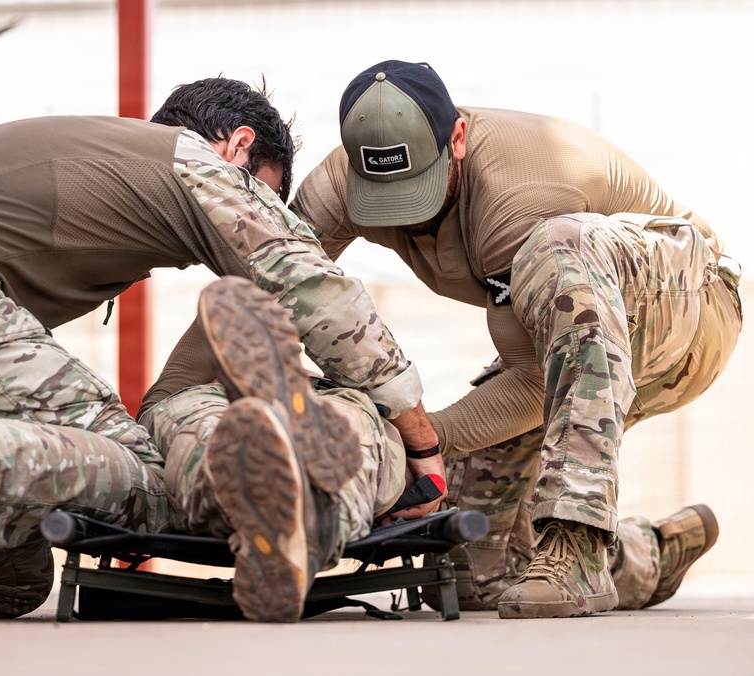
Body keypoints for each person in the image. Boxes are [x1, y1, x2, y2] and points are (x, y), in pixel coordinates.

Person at [0, 77, 442, 623]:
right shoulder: (189, 161)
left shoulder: (103, 167)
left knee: (3, 570)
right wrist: (421, 445)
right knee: (146, 478)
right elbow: (315, 290)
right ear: (236, 147)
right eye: (264, 196)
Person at [289, 60, 742, 619]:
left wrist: (409, 443)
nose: (404, 215)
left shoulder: (517, 191)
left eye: (417, 187)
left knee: (556, 247)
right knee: (473, 568)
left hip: (685, 313)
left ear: (456, 138)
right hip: (564, 346)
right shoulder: (339, 183)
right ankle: (648, 553)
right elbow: (261, 293)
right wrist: (177, 403)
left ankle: (575, 542)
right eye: (383, 194)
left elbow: (531, 384)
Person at [140, 276, 419, 622]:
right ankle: (317, 520)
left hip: (210, 398)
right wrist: (424, 454)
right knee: (353, 431)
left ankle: (250, 495)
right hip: (331, 400)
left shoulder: (259, 257)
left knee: (199, 428)